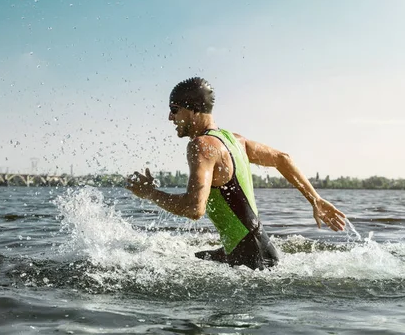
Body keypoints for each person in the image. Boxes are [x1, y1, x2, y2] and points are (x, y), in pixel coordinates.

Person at [126, 77, 346, 270]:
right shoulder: (235, 140)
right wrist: (315, 199)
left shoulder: (202, 146)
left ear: (192, 109)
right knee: (197, 257)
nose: (170, 118)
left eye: (174, 110)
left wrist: (150, 193)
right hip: (260, 249)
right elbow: (282, 159)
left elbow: (194, 209)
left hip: (250, 260)